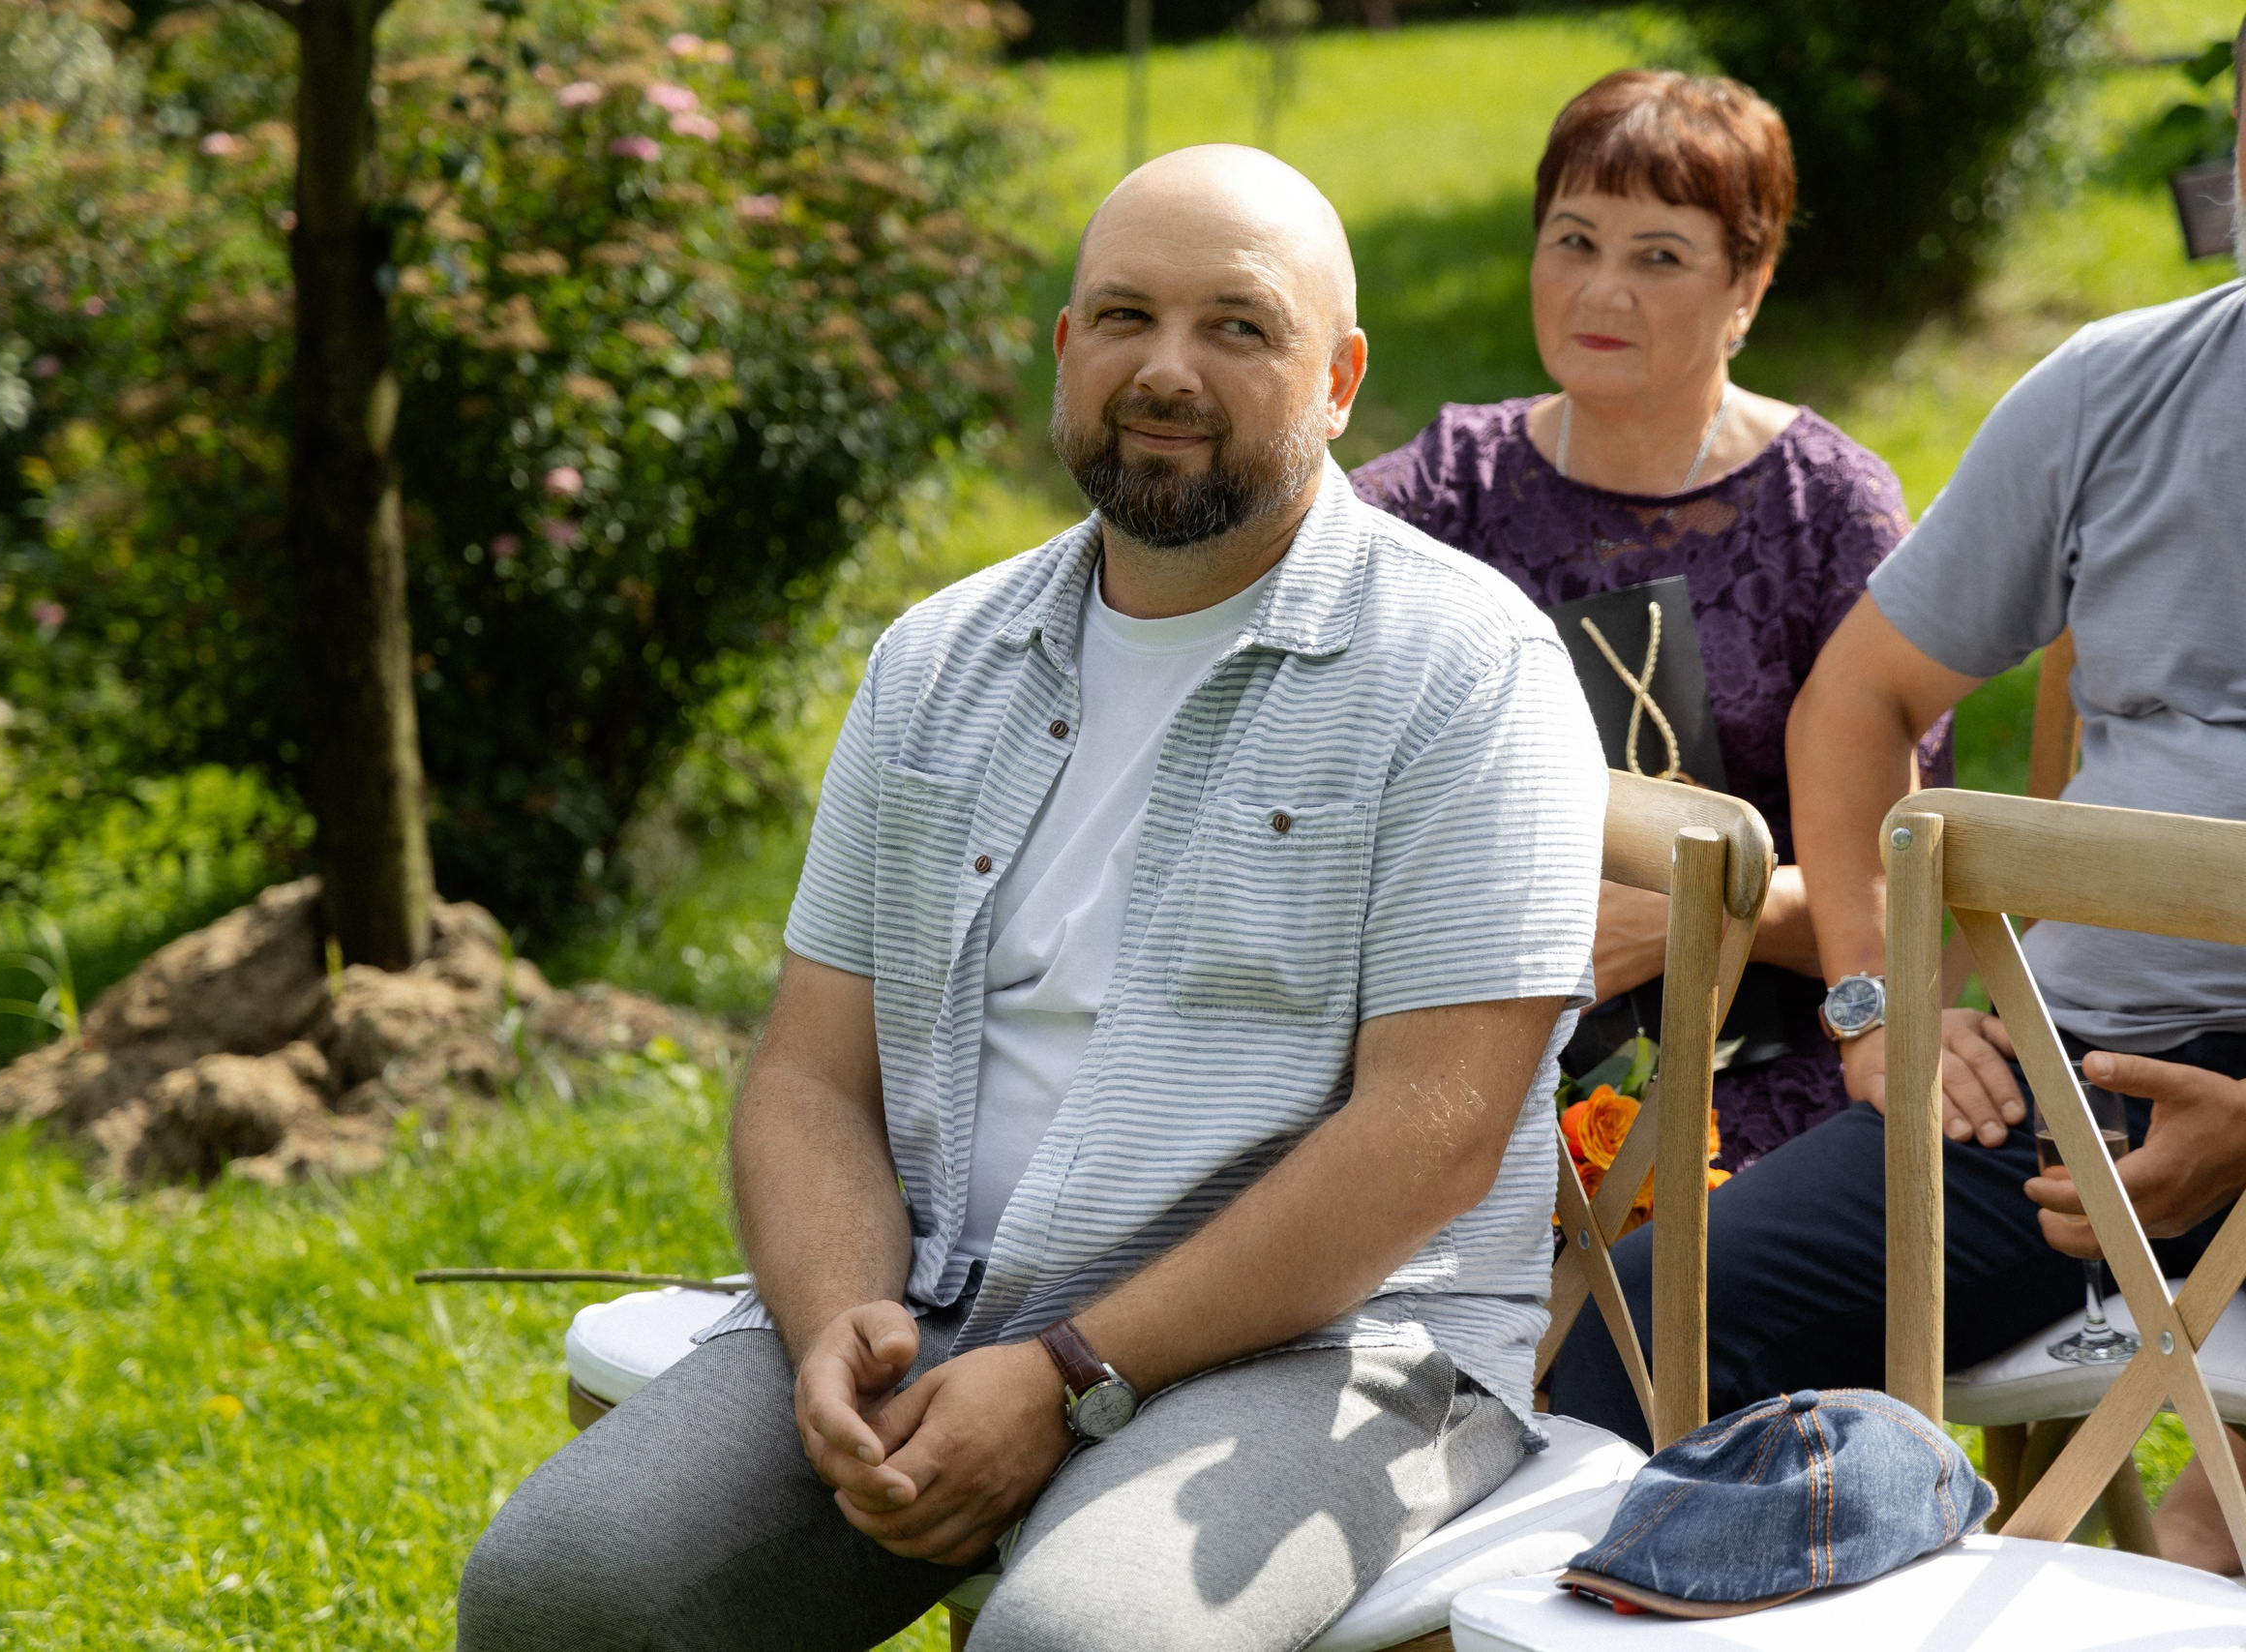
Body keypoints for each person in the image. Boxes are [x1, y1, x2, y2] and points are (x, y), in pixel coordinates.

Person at [454, 145, 1607, 1652]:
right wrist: (830, 1326)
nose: (1167, 369)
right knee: (559, 1587)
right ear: (1067, 351)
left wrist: (1068, 1366)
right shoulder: (937, 660)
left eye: (1240, 327)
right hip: (937, 1295)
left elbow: (1431, 1142)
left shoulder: (1468, 672)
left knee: (1082, 1641)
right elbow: (809, 1068)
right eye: (1123, 317)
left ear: (1340, 379)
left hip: (1330, 1347)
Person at [1548, 20, 2246, 1570]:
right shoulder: (2116, 391)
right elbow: (1860, 700)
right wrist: (1875, 1002)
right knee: (1640, 1358)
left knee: (2206, 1545)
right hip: (2083, 1086)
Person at [1351, 69, 1949, 1174]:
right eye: (1572, 241)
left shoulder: (1831, 511)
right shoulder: (1447, 488)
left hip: (1778, 1084)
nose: (1600, 292)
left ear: (1748, 288)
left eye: (1657, 256)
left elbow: (1902, 894)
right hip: (1472, 1060)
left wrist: (1692, 915)